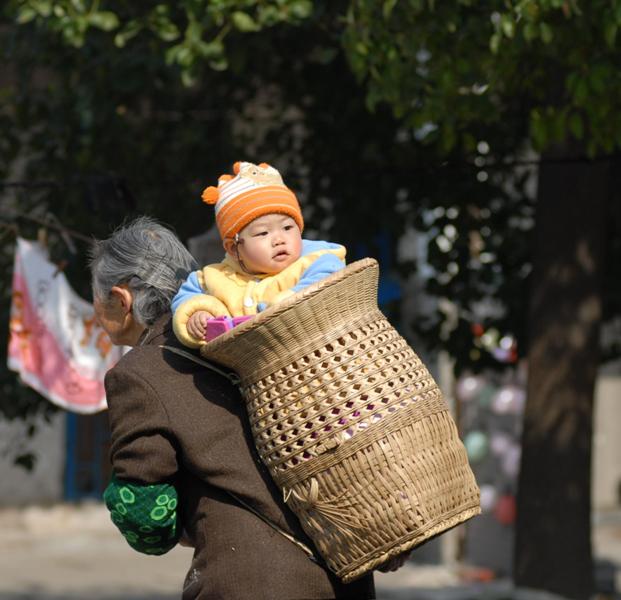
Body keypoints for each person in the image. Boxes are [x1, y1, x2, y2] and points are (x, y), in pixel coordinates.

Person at [90, 216, 377, 599]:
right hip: (346, 572)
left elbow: (147, 517)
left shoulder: (139, 373)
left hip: (249, 582)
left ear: (122, 299)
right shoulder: (248, 330)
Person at [171, 161, 346, 346]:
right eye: (263, 233)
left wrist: (289, 301)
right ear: (233, 247)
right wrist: (199, 313)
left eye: (287, 227)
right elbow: (187, 295)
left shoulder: (315, 260)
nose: (279, 239)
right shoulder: (215, 277)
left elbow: (328, 279)